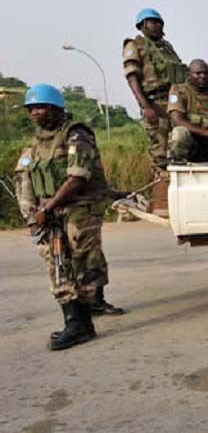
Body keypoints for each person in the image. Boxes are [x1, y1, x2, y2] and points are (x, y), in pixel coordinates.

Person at [15, 84, 116, 350]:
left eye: (41, 107)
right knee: (57, 265)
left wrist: (46, 209)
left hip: (80, 208)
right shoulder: (37, 142)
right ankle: (74, 322)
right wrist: (31, 214)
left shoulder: (76, 134)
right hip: (51, 212)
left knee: (83, 263)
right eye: (31, 108)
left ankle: (84, 322)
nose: (35, 112)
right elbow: (24, 177)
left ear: (57, 108)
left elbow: (77, 178)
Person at [123, 8, 187, 210]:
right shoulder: (135, 45)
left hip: (175, 104)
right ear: (142, 25)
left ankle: (177, 201)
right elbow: (132, 76)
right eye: (153, 22)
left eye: (160, 23)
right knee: (159, 154)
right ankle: (162, 202)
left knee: (180, 149)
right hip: (154, 101)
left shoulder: (167, 48)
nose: (158, 25)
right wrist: (145, 106)